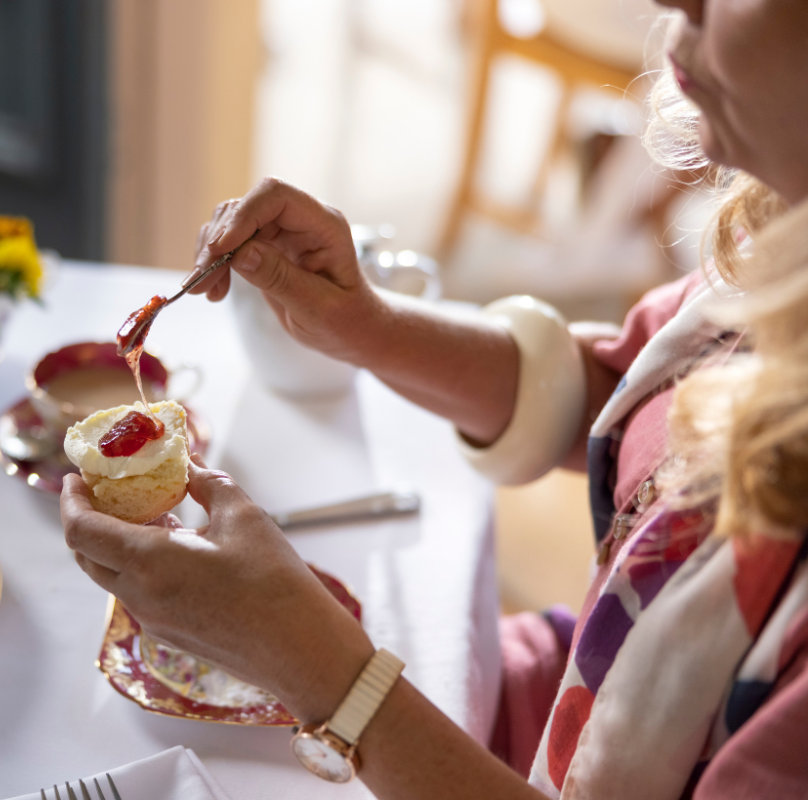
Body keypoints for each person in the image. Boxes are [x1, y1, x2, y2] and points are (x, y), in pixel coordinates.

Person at [61, 0, 808, 796]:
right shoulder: (781, 258)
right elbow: (620, 396)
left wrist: (317, 668)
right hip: (574, 692)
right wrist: (365, 324)